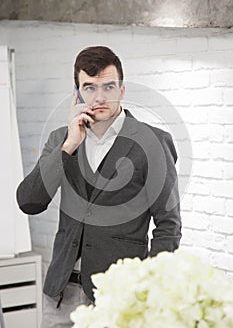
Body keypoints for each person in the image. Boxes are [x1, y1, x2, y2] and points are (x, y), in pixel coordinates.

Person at [16, 46, 182, 328]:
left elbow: (168, 226)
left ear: (122, 89)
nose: (100, 97)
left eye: (109, 86)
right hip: (60, 293)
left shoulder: (152, 141)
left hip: (118, 296)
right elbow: (29, 201)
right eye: (89, 88)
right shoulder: (62, 138)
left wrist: (147, 288)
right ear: (77, 93)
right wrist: (69, 146)